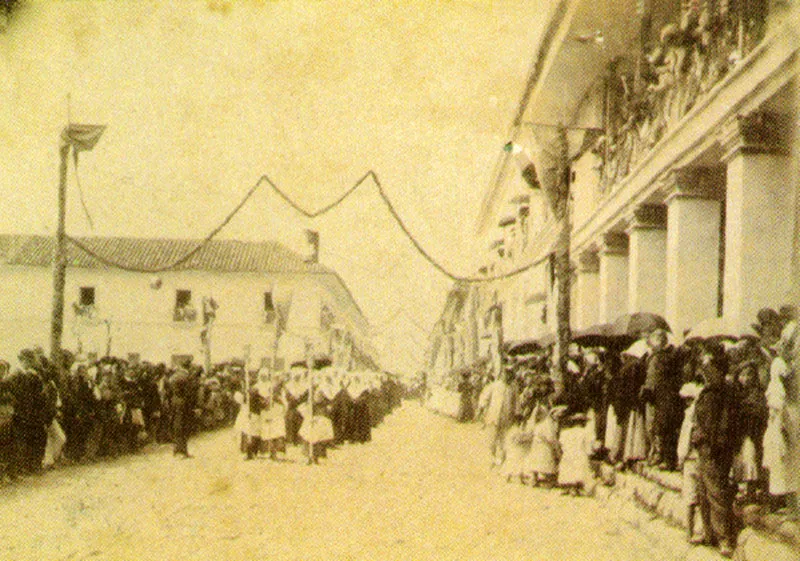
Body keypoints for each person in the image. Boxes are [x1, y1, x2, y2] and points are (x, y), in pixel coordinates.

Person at [691, 341, 738, 557]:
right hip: (709, 446)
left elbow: (717, 423)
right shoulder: (717, 389)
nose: (704, 369)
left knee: (716, 493)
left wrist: (705, 440)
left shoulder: (718, 391)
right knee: (704, 490)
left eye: (708, 366)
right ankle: (710, 533)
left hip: (713, 448)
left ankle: (724, 538)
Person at [167, 360, 195, 458]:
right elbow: (189, 393)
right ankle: (183, 451)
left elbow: (168, 392)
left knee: (176, 425)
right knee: (184, 426)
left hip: (174, 401)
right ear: (188, 367)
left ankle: (176, 449)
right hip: (183, 403)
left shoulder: (173, 377)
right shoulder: (186, 377)